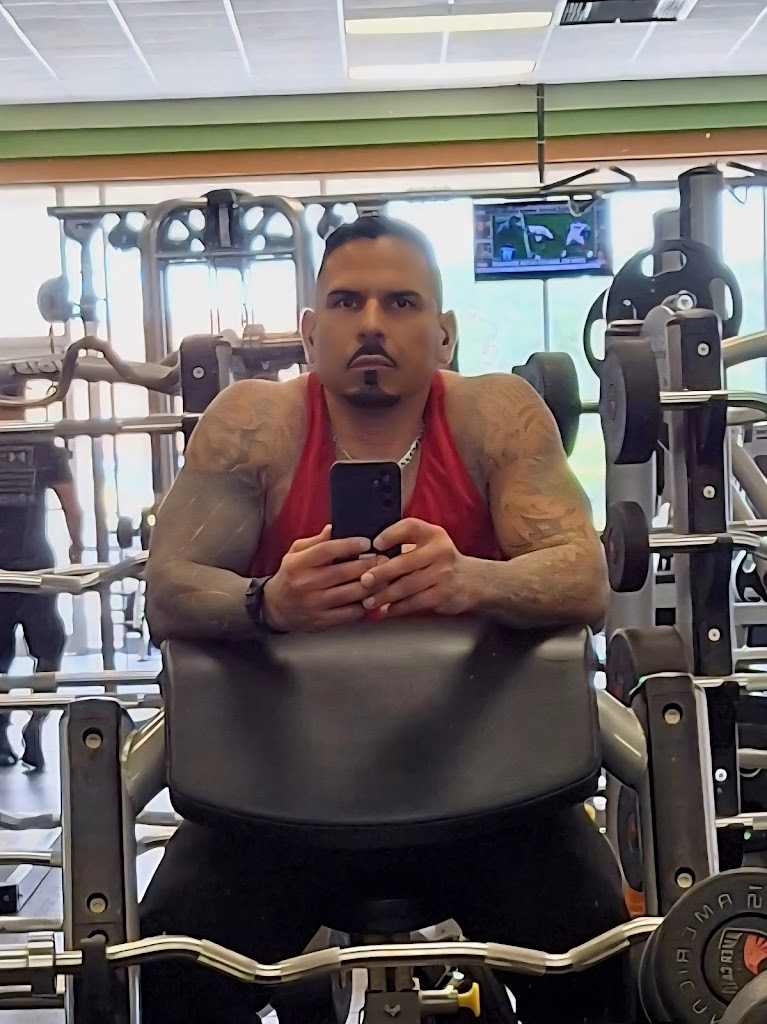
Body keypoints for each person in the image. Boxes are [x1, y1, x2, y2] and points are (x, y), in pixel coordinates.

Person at [143, 216, 626, 1024]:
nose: (371, 323)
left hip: (490, 794)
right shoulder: (254, 424)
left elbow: (583, 577)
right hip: (277, 797)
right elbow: (167, 591)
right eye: (346, 302)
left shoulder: (495, 416)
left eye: (400, 303)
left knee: (597, 960)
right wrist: (268, 602)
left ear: (443, 333)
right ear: (310, 333)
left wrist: (470, 580)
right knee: (170, 967)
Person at [0, 382, 83, 770]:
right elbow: (72, 507)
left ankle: (1, 733)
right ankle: (36, 723)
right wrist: (77, 546)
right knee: (49, 649)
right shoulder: (44, 444)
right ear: (23, 395)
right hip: (35, 563)